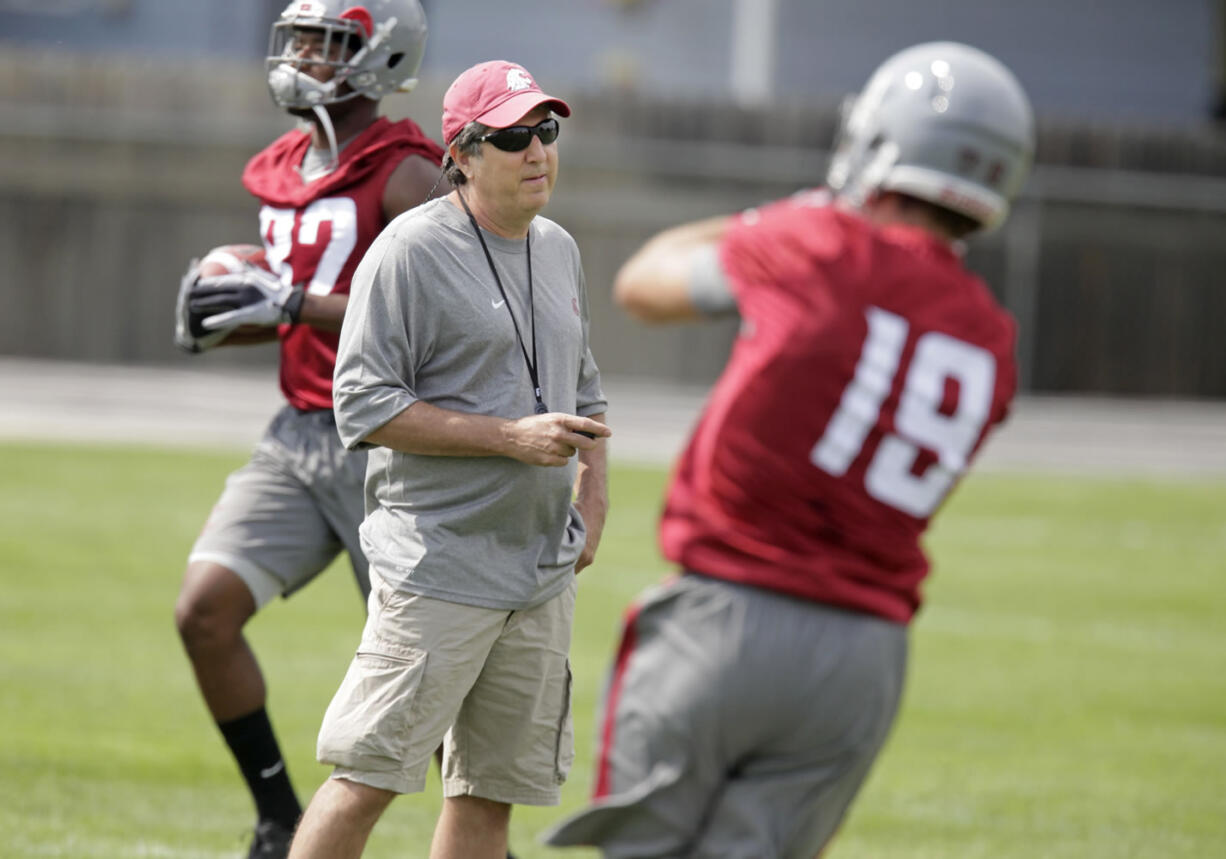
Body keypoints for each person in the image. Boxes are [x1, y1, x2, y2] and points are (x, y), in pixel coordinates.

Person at [544, 41, 1035, 858]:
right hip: (866, 653)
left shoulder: (814, 241)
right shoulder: (993, 333)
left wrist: (779, 215)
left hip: (729, 615)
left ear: (880, 141)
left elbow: (644, 282)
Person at [286, 60, 611, 859]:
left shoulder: (560, 248)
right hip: (439, 567)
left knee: (489, 796)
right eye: (511, 137)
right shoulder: (407, 253)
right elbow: (362, 405)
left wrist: (594, 497)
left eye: (547, 130)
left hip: (538, 575)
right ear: (461, 154)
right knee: (367, 777)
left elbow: (589, 393)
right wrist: (509, 438)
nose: (537, 151)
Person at [171, 2, 445, 857]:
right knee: (204, 612)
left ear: (378, 54)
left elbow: (438, 310)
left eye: (324, 43)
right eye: (296, 39)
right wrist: (231, 314)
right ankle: (275, 816)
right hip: (296, 434)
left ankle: (484, 843)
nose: (300, 56)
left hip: (394, 448)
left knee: (431, 681)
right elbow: (291, 311)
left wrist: (287, 300)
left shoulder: (407, 174)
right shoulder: (284, 164)